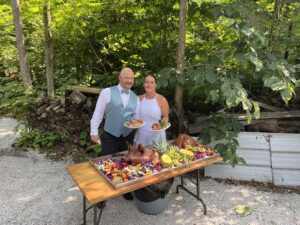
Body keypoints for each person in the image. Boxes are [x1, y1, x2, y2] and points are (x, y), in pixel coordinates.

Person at [90, 67, 140, 156]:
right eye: (126, 78)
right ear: (119, 78)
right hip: (110, 136)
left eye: (131, 78)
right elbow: (98, 113)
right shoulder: (107, 92)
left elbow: (136, 117)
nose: (129, 81)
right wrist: (94, 132)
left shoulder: (136, 98)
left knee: (127, 164)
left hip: (128, 137)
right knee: (106, 162)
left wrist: (135, 121)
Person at [134, 74, 169, 147]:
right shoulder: (139, 99)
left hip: (157, 136)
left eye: (152, 82)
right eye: (147, 82)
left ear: (155, 85)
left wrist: (161, 125)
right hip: (142, 136)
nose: (149, 85)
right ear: (144, 84)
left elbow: (166, 117)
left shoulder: (162, 99)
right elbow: (135, 116)